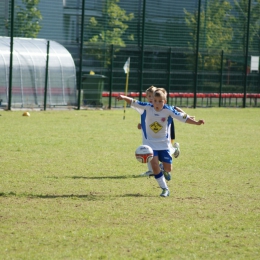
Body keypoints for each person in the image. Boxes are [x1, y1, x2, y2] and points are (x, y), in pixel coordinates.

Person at [117, 88, 204, 197]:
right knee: (154, 166)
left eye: (160, 101)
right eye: (155, 100)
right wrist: (123, 97)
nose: (157, 103)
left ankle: (165, 170)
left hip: (164, 145)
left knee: (168, 168)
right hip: (150, 145)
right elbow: (134, 102)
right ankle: (165, 189)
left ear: (165, 101)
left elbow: (183, 118)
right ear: (152, 100)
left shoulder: (168, 110)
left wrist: (196, 123)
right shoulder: (147, 107)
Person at [138, 86, 194, 177]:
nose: (151, 98)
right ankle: (153, 169)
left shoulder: (164, 107)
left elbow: (176, 108)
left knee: (166, 148)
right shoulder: (148, 107)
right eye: (148, 96)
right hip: (153, 134)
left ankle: (172, 153)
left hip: (166, 129)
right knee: (150, 150)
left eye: (152, 96)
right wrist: (141, 124)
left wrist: (187, 116)